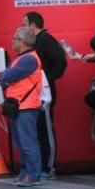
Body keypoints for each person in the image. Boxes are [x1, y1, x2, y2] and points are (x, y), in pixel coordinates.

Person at [22, 11, 66, 177]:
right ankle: (39, 165)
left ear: (32, 25)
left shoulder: (46, 41)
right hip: (32, 93)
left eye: (24, 24)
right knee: (37, 130)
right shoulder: (34, 44)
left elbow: (60, 62)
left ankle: (49, 166)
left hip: (44, 94)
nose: (22, 28)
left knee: (45, 129)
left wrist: (46, 79)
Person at [0, 27, 44, 188]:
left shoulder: (28, 59)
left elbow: (7, 76)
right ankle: (26, 173)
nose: (12, 41)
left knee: (27, 143)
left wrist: (7, 77)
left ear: (23, 41)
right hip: (19, 105)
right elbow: (6, 76)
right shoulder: (22, 58)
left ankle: (33, 175)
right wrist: (7, 77)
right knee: (21, 143)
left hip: (26, 106)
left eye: (15, 38)